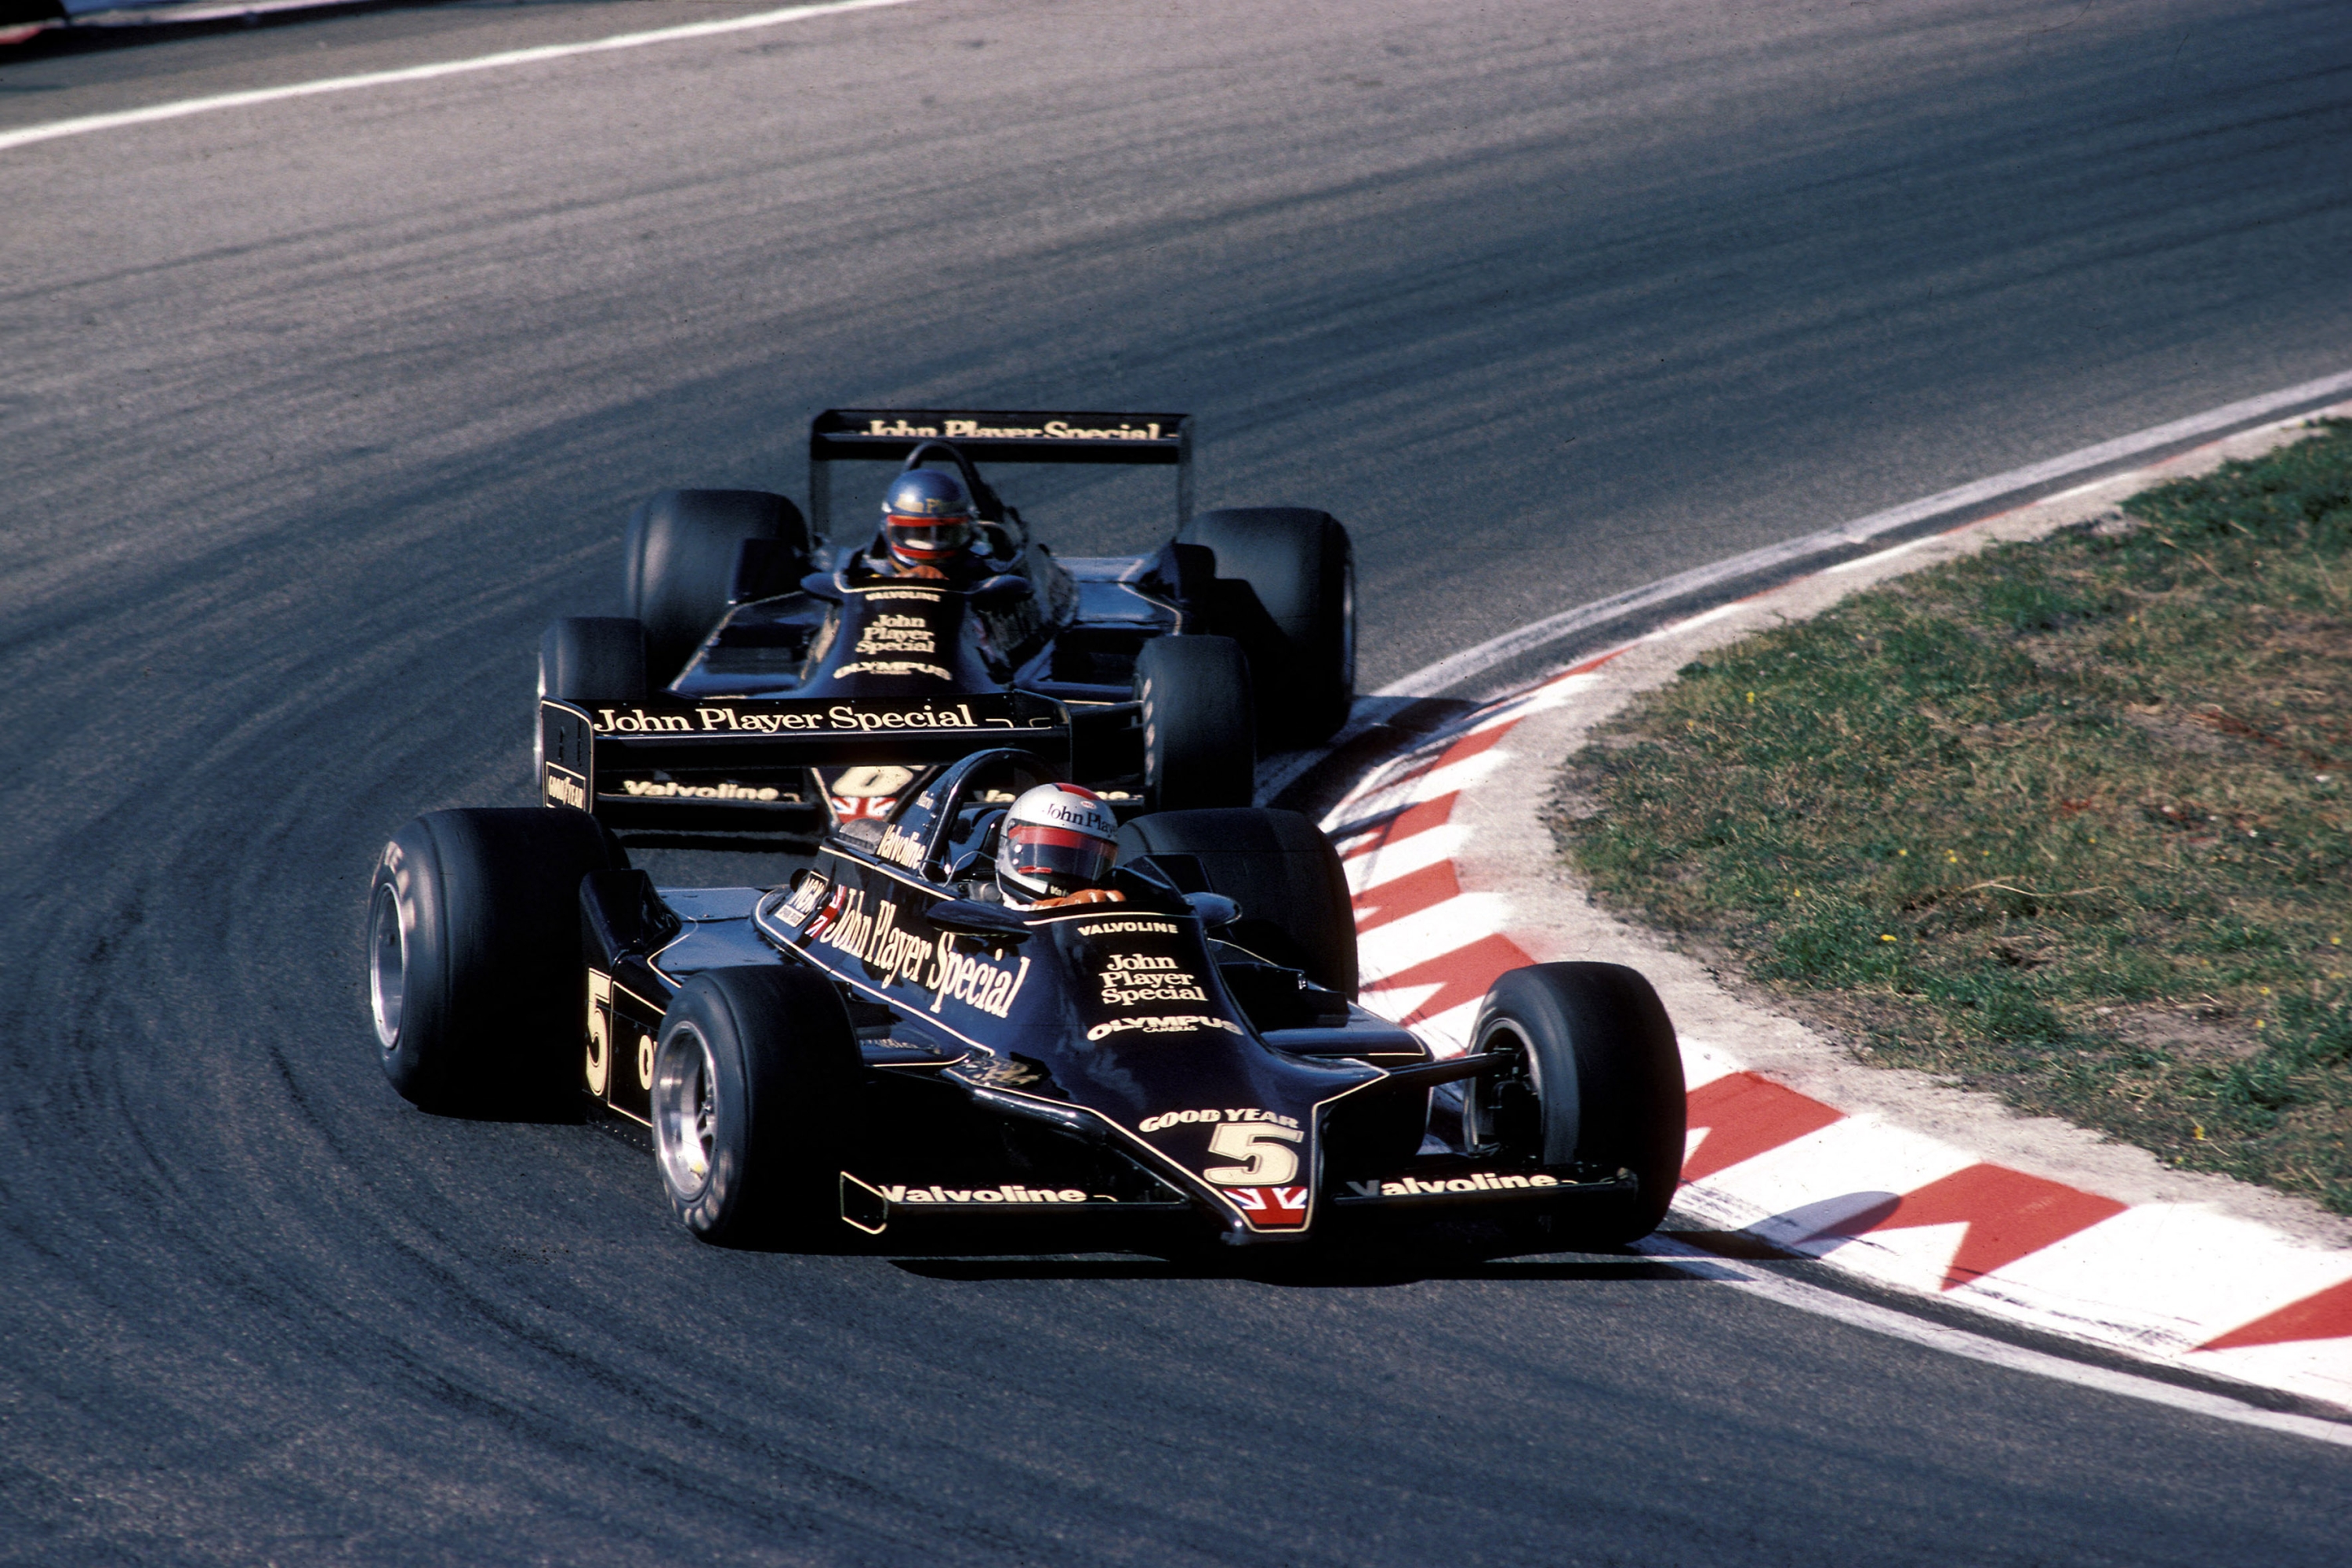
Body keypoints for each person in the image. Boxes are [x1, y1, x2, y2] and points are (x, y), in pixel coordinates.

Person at [994, 782, 1127, 909]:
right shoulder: (985, 917)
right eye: (1054, 856)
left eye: (1084, 860)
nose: (1070, 871)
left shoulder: (1103, 908)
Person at [875, 467, 986, 582]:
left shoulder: (987, 571)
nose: (932, 546)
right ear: (888, 530)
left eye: (943, 534)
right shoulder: (861, 570)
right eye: (919, 534)